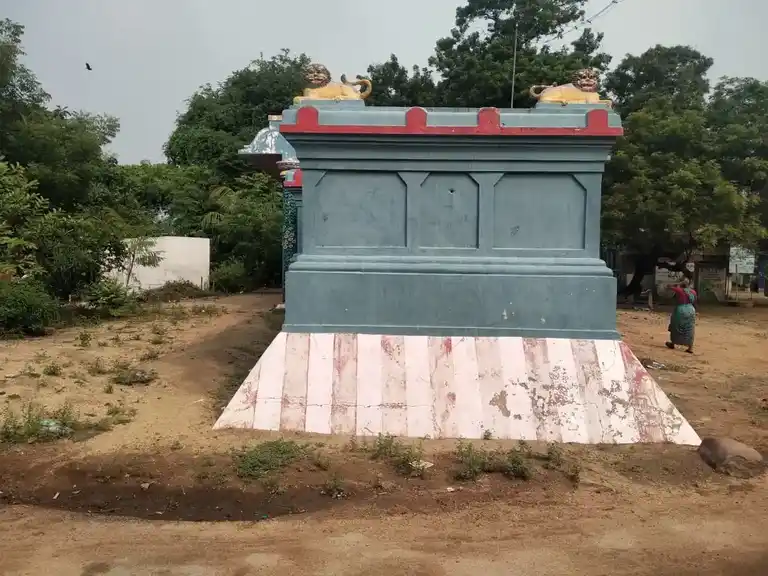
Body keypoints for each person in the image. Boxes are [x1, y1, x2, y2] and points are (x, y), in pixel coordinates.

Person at [665, 280, 697, 354]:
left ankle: (673, 343)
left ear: (681, 285)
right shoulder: (693, 292)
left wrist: (678, 283)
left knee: (676, 326)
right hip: (691, 309)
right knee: (689, 328)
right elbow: (695, 302)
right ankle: (690, 347)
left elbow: (668, 286)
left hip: (681, 309)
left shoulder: (679, 290)